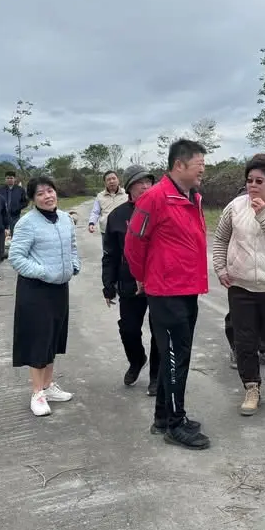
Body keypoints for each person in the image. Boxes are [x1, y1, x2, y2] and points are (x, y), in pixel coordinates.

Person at [125, 138, 211, 450]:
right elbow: (134, 243)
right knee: (177, 358)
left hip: (188, 289)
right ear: (179, 165)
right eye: (198, 166)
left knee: (175, 356)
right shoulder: (155, 198)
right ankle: (175, 424)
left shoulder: (191, 196)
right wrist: (142, 278)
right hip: (166, 291)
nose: (203, 171)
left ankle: (164, 417)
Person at [213, 154, 265, 416]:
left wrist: (262, 213)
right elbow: (220, 239)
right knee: (245, 341)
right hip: (242, 288)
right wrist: (220, 267)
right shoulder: (235, 207)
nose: (252, 185)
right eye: (249, 180)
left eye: (259, 181)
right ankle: (251, 387)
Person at [9, 176, 80, 417]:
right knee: (39, 339)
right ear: (32, 199)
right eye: (40, 194)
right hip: (36, 290)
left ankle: (49, 386)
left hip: (60, 288)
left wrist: (73, 266)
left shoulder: (64, 220)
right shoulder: (27, 223)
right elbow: (16, 257)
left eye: (50, 191)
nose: (47, 196)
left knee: (54, 337)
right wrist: (42, 272)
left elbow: (72, 247)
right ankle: (37, 392)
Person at [102, 165, 159, 396]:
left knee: (160, 330)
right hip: (129, 282)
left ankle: (157, 375)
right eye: (139, 183)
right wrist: (108, 285)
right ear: (129, 188)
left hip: (158, 282)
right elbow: (110, 254)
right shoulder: (118, 216)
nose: (145, 186)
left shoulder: (161, 211)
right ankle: (137, 360)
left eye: (149, 182)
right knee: (129, 329)